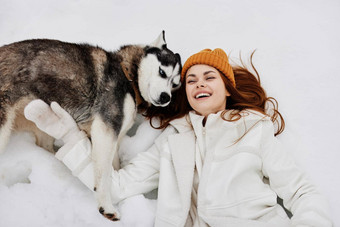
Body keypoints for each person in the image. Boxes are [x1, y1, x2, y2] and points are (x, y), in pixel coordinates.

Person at [24, 48, 332, 226]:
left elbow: (302, 193)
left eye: (210, 77)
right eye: (191, 80)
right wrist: (70, 136)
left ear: (226, 88)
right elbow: (116, 187)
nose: (199, 83)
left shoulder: (253, 129)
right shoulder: (172, 142)